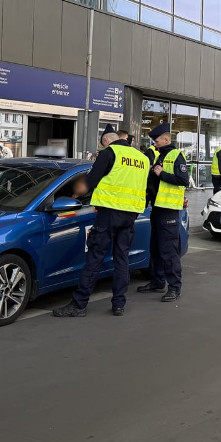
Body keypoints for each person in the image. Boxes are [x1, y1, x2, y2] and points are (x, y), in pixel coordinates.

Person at [53, 130, 149, 318]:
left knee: (95, 257)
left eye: (102, 144)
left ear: (106, 141)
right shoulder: (142, 158)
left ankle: (79, 304)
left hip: (109, 213)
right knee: (122, 258)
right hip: (131, 214)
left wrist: (75, 193)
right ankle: (119, 304)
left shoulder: (109, 153)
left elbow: (91, 181)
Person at [138, 123, 188, 301]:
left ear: (166, 139)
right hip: (157, 208)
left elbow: (184, 180)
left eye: (156, 140)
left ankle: (174, 287)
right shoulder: (160, 155)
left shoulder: (176, 155)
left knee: (169, 251)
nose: (154, 143)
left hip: (169, 210)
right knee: (156, 248)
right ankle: (157, 282)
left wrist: (161, 174)